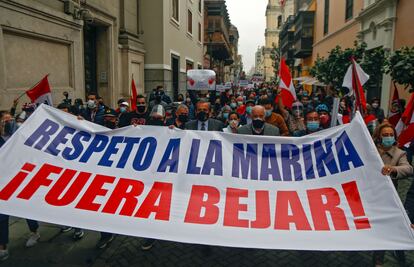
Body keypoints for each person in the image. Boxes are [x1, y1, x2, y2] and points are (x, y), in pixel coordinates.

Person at [372, 123, 413, 267]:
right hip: (369, 195)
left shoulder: (399, 153)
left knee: (384, 228)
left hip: (387, 198)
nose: (388, 137)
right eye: (385, 135)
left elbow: (408, 169)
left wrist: (393, 169)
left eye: (391, 135)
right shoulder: (371, 150)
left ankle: (379, 259)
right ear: (378, 137)